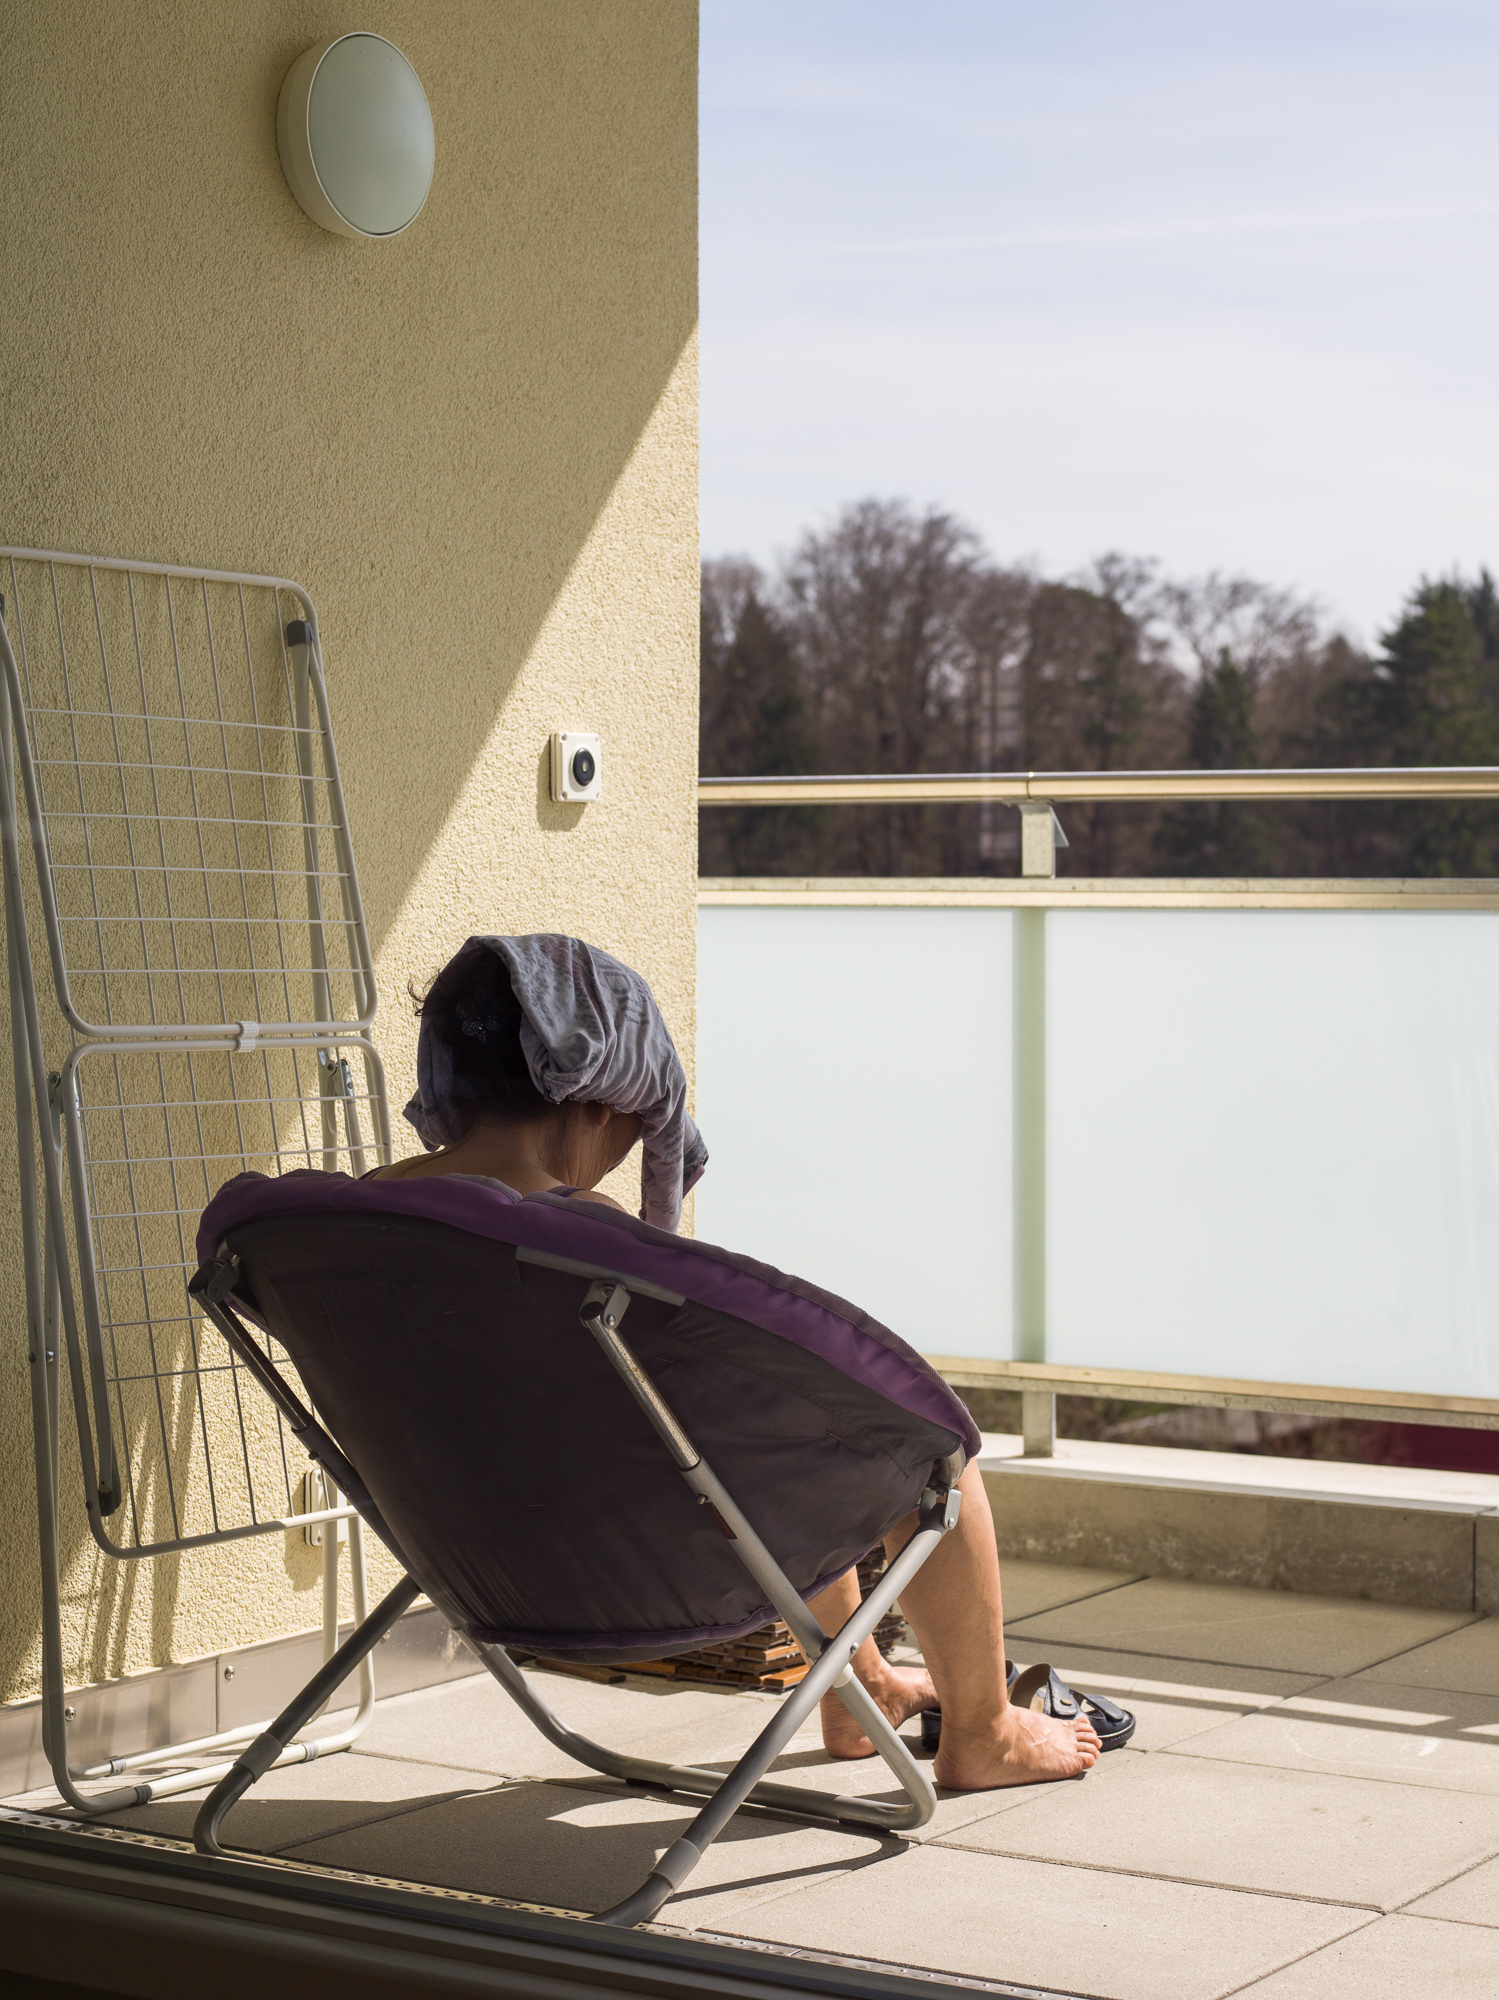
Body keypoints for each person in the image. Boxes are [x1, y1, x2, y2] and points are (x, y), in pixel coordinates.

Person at [373, 934, 1100, 1789]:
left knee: (766, 1449)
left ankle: (862, 1685)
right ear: (597, 1102)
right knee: (929, 1453)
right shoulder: (584, 1250)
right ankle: (984, 1734)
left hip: (463, 1555)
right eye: (637, 1126)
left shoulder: (348, 1226)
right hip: (631, 1576)